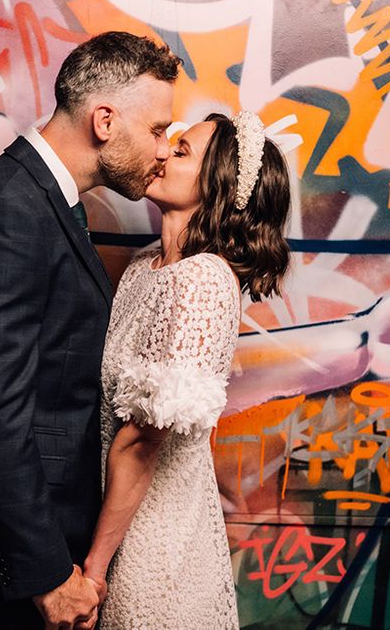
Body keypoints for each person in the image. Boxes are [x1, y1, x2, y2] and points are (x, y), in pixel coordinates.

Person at [0, 31, 181, 629]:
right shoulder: (8, 210)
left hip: (22, 529)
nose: (162, 150)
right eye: (155, 130)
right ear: (104, 120)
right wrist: (44, 574)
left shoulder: (42, 199)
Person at [83, 111, 291, 628]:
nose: (160, 153)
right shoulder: (143, 268)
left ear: (216, 187)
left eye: (181, 151)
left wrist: (94, 569)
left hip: (152, 546)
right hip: (112, 520)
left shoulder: (202, 282)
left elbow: (142, 441)